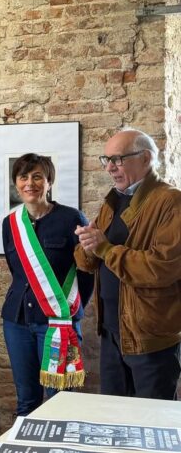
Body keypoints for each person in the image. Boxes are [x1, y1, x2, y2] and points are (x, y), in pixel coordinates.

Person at [75, 128, 181, 399]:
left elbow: (161, 268)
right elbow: (88, 263)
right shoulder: (113, 200)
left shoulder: (171, 201)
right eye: (106, 160)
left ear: (145, 158)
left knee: (151, 419)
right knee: (114, 415)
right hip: (112, 332)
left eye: (118, 159)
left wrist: (105, 249)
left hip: (149, 337)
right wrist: (87, 245)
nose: (110, 167)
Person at [1, 153, 94, 416]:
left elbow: (86, 272)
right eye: (23, 177)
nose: (30, 183)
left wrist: (70, 310)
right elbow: (17, 273)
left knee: (60, 402)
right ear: (16, 183)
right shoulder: (10, 223)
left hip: (57, 323)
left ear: (49, 182)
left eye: (37, 176)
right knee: (26, 401)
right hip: (17, 322)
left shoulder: (72, 218)